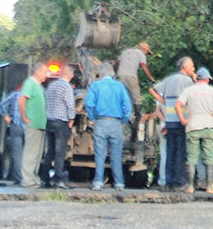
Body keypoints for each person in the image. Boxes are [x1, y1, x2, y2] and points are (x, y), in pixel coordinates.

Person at [175, 67, 213, 193]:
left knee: (192, 158)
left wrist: (183, 120)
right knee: (208, 157)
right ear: (207, 79)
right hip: (209, 125)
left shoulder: (189, 91)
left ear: (197, 79)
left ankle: (190, 186)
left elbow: (178, 105)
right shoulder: (212, 90)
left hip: (193, 125)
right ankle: (210, 186)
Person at [84, 62, 132, 190]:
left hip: (100, 122)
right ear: (112, 74)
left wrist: (93, 117)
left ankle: (98, 182)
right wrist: (122, 120)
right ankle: (119, 183)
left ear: (100, 73)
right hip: (116, 123)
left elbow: (88, 103)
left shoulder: (95, 86)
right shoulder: (120, 87)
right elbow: (127, 107)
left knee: (100, 154)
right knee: (116, 155)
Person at [150, 56, 195, 191]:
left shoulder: (169, 79)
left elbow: (152, 89)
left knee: (170, 152)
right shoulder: (187, 81)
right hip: (182, 120)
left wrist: (163, 101)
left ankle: (169, 180)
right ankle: (179, 181)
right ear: (185, 67)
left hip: (169, 120)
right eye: (192, 66)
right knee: (181, 153)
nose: (193, 68)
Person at [43, 63, 76, 189]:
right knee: (60, 152)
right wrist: (71, 119)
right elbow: (70, 105)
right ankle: (58, 179)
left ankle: (45, 178)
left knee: (50, 151)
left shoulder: (51, 86)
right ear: (71, 75)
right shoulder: (66, 87)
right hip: (61, 122)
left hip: (50, 121)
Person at [18, 63, 49, 189]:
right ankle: (27, 179)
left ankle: (34, 177)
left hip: (40, 124)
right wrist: (24, 117)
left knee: (37, 154)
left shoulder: (39, 86)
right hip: (33, 123)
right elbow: (22, 100)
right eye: (45, 72)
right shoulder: (30, 83)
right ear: (38, 72)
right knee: (30, 153)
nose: (46, 75)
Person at [116, 41, 156, 119]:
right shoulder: (140, 54)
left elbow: (117, 63)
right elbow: (144, 66)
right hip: (131, 76)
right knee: (136, 96)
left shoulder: (125, 52)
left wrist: (116, 73)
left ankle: (119, 112)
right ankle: (138, 116)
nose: (146, 54)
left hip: (120, 75)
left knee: (122, 95)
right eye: (147, 53)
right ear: (144, 50)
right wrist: (151, 78)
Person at [0, 87, 25, 184]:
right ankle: (29, 177)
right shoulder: (34, 95)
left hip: (16, 126)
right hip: (30, 128)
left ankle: (19, 178)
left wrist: (7, 117)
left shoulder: (15, 95)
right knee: (29, 153)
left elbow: (2, 105)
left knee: (17, 154)